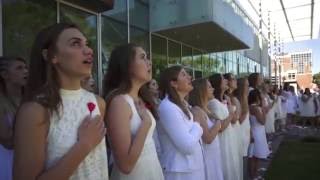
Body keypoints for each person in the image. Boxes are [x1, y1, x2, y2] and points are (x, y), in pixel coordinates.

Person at [13, 23, 109, 180]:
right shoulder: (35, 111)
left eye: (87, 44)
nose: (89, 50)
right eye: (75, 44)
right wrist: (84, 145)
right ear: (51, 56)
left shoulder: (98, 103)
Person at [103, 43, 163, 180]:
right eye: (143, 57)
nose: (149, 62)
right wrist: (146, 124)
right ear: (127, 66)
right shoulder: (119, 103)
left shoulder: (139, 98)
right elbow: (126, 165)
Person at [157, 66, 205, 180]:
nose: (190, 77)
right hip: (180, 172)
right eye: (184, 75)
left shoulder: (183, 105)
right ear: (173, 83)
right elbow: (187, 146)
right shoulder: (167, 108)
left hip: (191, 169)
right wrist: (197, 122)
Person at [189, 78, 223, 180]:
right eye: (209, 87)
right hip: (208, 156)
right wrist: (218, 123)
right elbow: (207, 138)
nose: (212, 89)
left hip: (214, 154)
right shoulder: (197, 110)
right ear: (201, 91)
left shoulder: (206, 109)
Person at [0, 56, 28, 180]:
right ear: (5, 74)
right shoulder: (1, 103)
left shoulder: (30, 100)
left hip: (31, 161)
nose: (26, 71)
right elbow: (8, 142)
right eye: (19, 68)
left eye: (26, 67)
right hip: (8, 162)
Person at [208, 73, 240, 180]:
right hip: (223, 140)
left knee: (233, 165)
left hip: (230, 136)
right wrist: (230, 112)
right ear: (217, 84)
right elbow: (220, 127)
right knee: (226, 167)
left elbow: (234, 119)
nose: (226, 81)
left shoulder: (225, 99)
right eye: (223, 80)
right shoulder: (213, 103)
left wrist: (229, 102)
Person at [248, 89, 270, 180]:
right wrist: (264, 110)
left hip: (257, 131)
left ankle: (255, 175)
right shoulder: (256, 108)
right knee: (254, 156)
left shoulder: (251, 107)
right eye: (260, 95)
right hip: (257, 132)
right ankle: (253, 176)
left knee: (255, 155)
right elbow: (263, 121)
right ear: (257, 97)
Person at [234, 77, 251, 180]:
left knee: (245, 161)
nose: (249, 88)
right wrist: (245, 107)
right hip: (240, 137)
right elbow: (239, 120)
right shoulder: (238, 100)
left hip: (245, 136)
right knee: (242, 165)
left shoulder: (244, 99)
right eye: (247, 86)